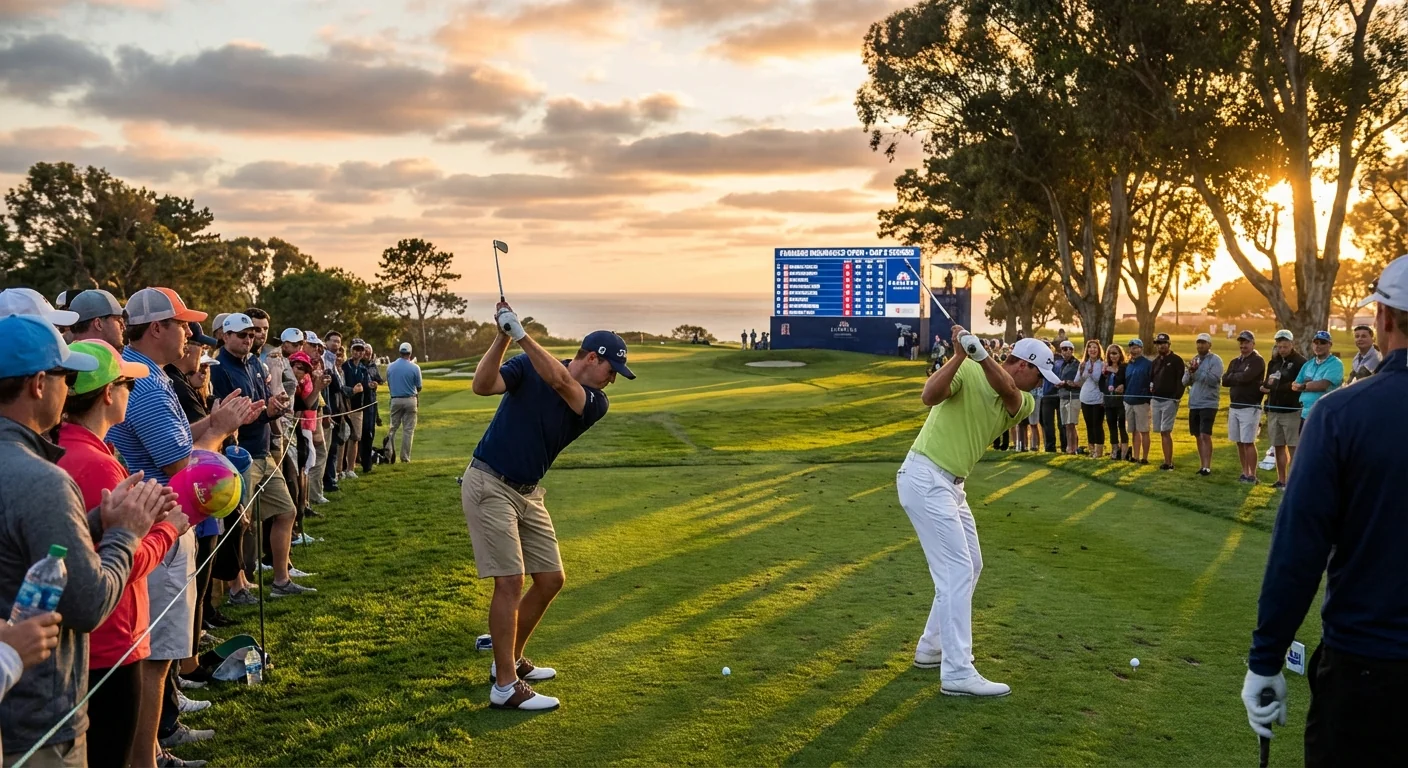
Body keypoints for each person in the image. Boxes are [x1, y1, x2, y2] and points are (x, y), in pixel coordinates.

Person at [1242, 255, 1408, 767]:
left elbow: (1299, 550)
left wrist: (1266, 658)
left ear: (1381, 316)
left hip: (1367, 669)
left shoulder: (1343, 413)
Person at [0, 314, 172, 766]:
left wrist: (94, 520)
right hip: (39, 719)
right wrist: (125, 533)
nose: (69, 390)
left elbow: (20, 546)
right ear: (40, 383)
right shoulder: (41, 478)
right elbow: (88, 603)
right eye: (65, 376)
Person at [465, 304, 635, 711]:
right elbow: (483, 386)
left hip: (528, 492)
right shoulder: (525, 365)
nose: (612, 380)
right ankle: (505, 686)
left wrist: (520, 333)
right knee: (510, 581)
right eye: (611, 370)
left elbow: (560, 381)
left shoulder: (595, 401)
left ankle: (507, 662)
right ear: (591, 357)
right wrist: (504, 336)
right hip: (489, 481)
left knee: (551, 578)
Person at [107, 288, 254, 759]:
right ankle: (148, 758)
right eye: (182, 324)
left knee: (158, 652)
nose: (190, 333)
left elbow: (176, 442)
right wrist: (219, 429)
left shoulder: (150, 375)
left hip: (158, 524)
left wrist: (212, 422)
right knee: (156, 656)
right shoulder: (147, 385)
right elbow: (183, 471)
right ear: (156, 329)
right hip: (160, 527)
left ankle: (151, 752)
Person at [897, 328, 1060, 697]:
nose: (1041, 384)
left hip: (952, 486)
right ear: (1023, 364)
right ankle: (956, 671)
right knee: (955, 571)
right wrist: (958, 355)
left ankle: (931, 647)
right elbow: (928, 396)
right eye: (1039, 375)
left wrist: (981, 355)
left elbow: (1007, 391)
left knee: (971, 564)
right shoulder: (967, 370)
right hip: (924, 476)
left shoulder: (1024, 400)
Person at [53, 340, 193, 768]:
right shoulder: (94, 463)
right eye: (126, 385)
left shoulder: (74, 448)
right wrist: (167, 530)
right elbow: (120, 560)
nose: (131, 394)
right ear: (109, 394)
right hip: (111, 639)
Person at [207, 313, 307, 598]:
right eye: (242, 335)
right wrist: (264, 412)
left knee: (286, 511)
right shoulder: (217, 368)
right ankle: (237, 588)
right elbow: (226, 416)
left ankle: (281, 580)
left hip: (263, 450)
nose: (248, 340)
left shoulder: (254, 363)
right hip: (237, 454)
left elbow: (261, 402)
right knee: (240, 522)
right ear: (225, 336)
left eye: (251, 335)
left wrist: (272, 407)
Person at [1261, 330, 1306, 490]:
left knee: (1293, 446)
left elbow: (1298, 384)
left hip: (1291, 410)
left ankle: (1294, 482)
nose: (1282, 350)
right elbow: (1268, 381)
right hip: (1274, 409)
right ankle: (1282, 480)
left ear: (1292, 344)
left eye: (1285, 346)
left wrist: (1277, 387)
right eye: (1279, 346)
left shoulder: (1300, 361)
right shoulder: (1273, 362)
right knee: (1278, 445)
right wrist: (1268, 387)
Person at [1222, 330, 1266, 483]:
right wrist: (1237, 376)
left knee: (1248, 441)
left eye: (1246, 342)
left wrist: (1235, 376)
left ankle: (1252, 475)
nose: (1243, 345)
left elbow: (1246, 377)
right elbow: (1225, 380)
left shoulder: (1257, 360)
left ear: (1253, 343)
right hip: (1235, 405)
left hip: (1250, 406)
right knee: (1239, 442)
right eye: (1241, 342)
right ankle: (1244, 472)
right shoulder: (1235, 361)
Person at [1182, 333, 1224, 476]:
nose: (1200, 345)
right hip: (1194, 403)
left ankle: (1207, 466)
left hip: (1209, 403)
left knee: (1205, 434)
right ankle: (1202, 465)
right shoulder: (1195, 359)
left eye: (1204, 343)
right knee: (1198, 435)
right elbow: (1184, 382)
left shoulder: (1215, 360)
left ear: (1209, 345)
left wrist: (1198, 371)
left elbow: (1214, 380)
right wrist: (1189, 371)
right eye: (1199, 343)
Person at [1147, 333, 1186, 471]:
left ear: (1169, 344)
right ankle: (1166, 460)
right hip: (1155, 399)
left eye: (1163, 343)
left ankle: (1168, 462)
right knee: (1159, 430)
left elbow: (1181, 381)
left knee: (1165, 431)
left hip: (1170, 400)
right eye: (1158, 343)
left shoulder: (1176, 360)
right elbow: (1151, 379)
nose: (1161, 346)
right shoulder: (1156, 361)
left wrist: (1176, 397)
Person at [1292, 331, 1344, 421]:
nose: (1318, 346)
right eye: (1316, 342)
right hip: (1304, 414)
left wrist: (1304, 385)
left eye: (1323, 343)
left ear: (1330, 345)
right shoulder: (1308, 364)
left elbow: (1322, 386)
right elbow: (1294, 385)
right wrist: (1307, 385)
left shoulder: (1336, 364)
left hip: (1324, 414)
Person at [387, 342, 423, 462]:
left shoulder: (390, 366)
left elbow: (389, 383)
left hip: (395, 399)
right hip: (410, 400)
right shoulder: (415, 367)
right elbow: (419, 387)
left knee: (392, 428)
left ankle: (388, 455)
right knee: (408, 430)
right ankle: (405, 458)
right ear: (410, 353)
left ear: (400, 352)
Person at [1122, 339, 1153, 464]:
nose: (1133, 350)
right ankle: (1135, 456)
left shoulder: (1147, 364)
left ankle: (1144, 458)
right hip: (1129, 401)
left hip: (1142, 402)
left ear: (1141, 348)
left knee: (1144, 430)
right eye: (1131, 348)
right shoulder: (1129, 364)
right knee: (1134, 431)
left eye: (1135, 348)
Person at [1075, 339, 1105, 458]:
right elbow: (1078, 381)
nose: (1092, 350)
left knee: (1097, 424)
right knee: (1089, 425)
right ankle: (1091, 450)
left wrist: (1090, 372)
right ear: (1087, 350)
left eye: (1095, 348)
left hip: (1098, 398)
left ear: (1098, 350)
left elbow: (1098, 380)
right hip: (1085, 397)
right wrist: (1082, 370)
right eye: (1090, 347)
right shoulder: (1083, 364)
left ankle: (1099, 451)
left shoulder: (1103, 364)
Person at [1101, 344, 1128, 460]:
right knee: (1111, 426)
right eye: (1111, 353)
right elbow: (1101, 384)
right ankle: (1114, 450)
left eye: (1115, 353)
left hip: (1121, 401)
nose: (1113, 356)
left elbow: (1124, 380)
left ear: (1120, 354)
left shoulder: (1124, 367)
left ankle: (1124, 451)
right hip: (1109, 401)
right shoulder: (1105, 369)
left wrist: (1113, 370)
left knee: (1122, 425)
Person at [1054, 341, 1080, 454]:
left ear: (1072, 350)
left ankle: (1073, 448)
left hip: (1073, 396)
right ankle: (1070, 447)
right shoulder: (1062, 364)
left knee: (1071, 423)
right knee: (1066, 424)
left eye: (1069, 349)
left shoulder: (1077, 364)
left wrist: (1065, 383)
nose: (1066, 351)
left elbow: (1077, 382)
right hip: (1063, 395)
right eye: (1064, 349)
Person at [1039, 350, 1063, 453]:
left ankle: (1060, 446)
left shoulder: (1060, 361)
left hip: (1056, 395)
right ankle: (1051, 447)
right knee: (1049, 423)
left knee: (1059, 423)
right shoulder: (1041, 361)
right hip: (1047, 395)